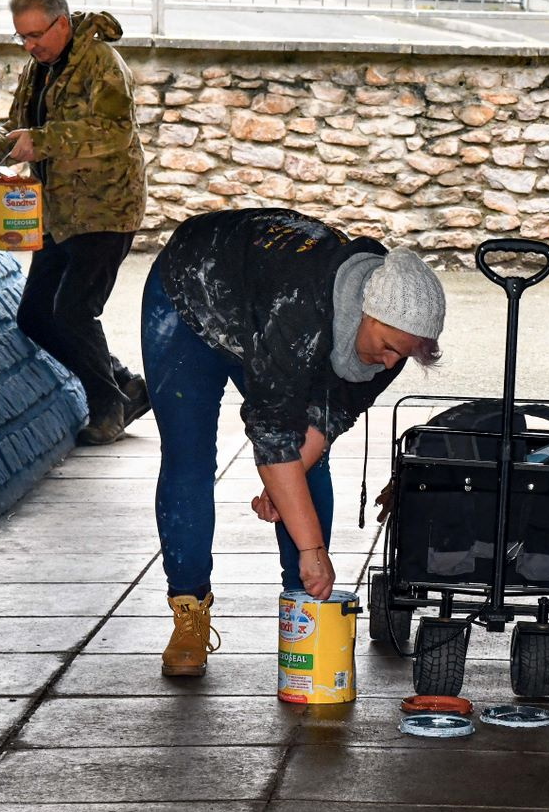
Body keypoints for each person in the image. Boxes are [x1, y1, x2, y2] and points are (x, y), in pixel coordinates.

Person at [144, 208, 444, 677]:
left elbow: (319, 427)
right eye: (386, 345)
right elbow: (271, 433)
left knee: (306, 472)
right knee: (189, 458)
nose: (388, 363)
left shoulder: (391, 344)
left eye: (400, 355)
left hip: (259, 311)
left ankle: (305, 610)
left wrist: (281, 485)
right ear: (364, 312)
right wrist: (312, 550)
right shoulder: (302, 312)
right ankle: (189, 610)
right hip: (192, 292)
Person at [0, 0, 148, 446]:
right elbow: (20, 126)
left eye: (35, 35)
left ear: (63, 24)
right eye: (21, 38)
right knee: (35, 316)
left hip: (105, 209)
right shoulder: (39, 69)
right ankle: (125, 384)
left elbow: (115, 134)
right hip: (56, 213)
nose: (29, 46)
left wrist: (44, 141)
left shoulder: (103, 65)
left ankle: (109, 407)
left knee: (73, 310)